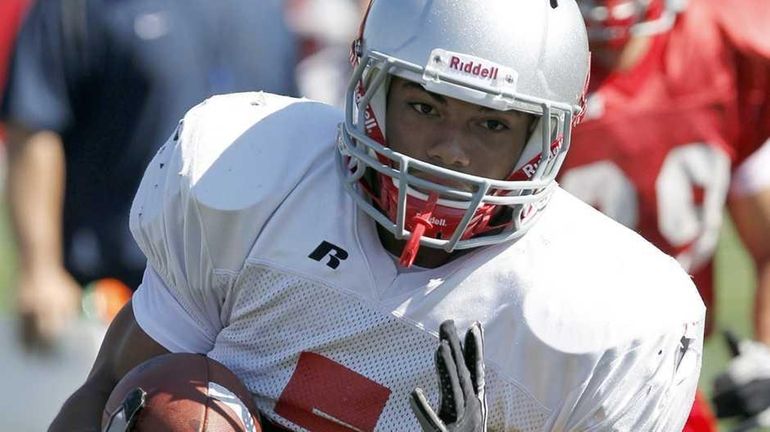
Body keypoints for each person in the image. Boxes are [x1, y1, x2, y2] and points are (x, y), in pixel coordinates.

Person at [51, 0, 706, 430]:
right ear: (371, 89)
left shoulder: (612, 316)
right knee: (170, 409)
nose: (450, 148)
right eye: (424, 108)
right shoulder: (253, 177)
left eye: (489, 123)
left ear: (545, 139)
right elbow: (109, 384)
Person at [1, 0, 298, 350]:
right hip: (113, 297)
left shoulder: (266, 10)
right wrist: (40, 268)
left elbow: (289, 133)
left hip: (246, 301)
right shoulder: (73, 7)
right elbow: (34, 128)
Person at [560, 0, 770, 429]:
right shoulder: (521, 48)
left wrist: (766, 357)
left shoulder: (722, 42)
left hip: (666, 379)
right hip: (537, 364)